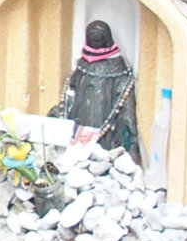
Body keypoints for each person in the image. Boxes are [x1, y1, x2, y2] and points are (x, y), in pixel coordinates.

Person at [53, 19, 142, 160]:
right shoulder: (84, 61)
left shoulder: (116, 63)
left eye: (99, 39)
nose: (96, 42)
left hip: (103, 109)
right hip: (82, 109)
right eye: (93, 39)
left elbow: (123, 88)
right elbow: (74, 83)